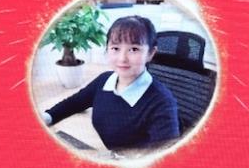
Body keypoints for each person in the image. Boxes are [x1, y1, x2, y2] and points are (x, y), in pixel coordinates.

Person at [40, 14, 182, 154]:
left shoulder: (162, 103)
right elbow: (75, 102)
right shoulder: (104, 80)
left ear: (151, 53)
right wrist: (46, 118)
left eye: (134, 49)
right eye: (115, 48)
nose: (122, 58)